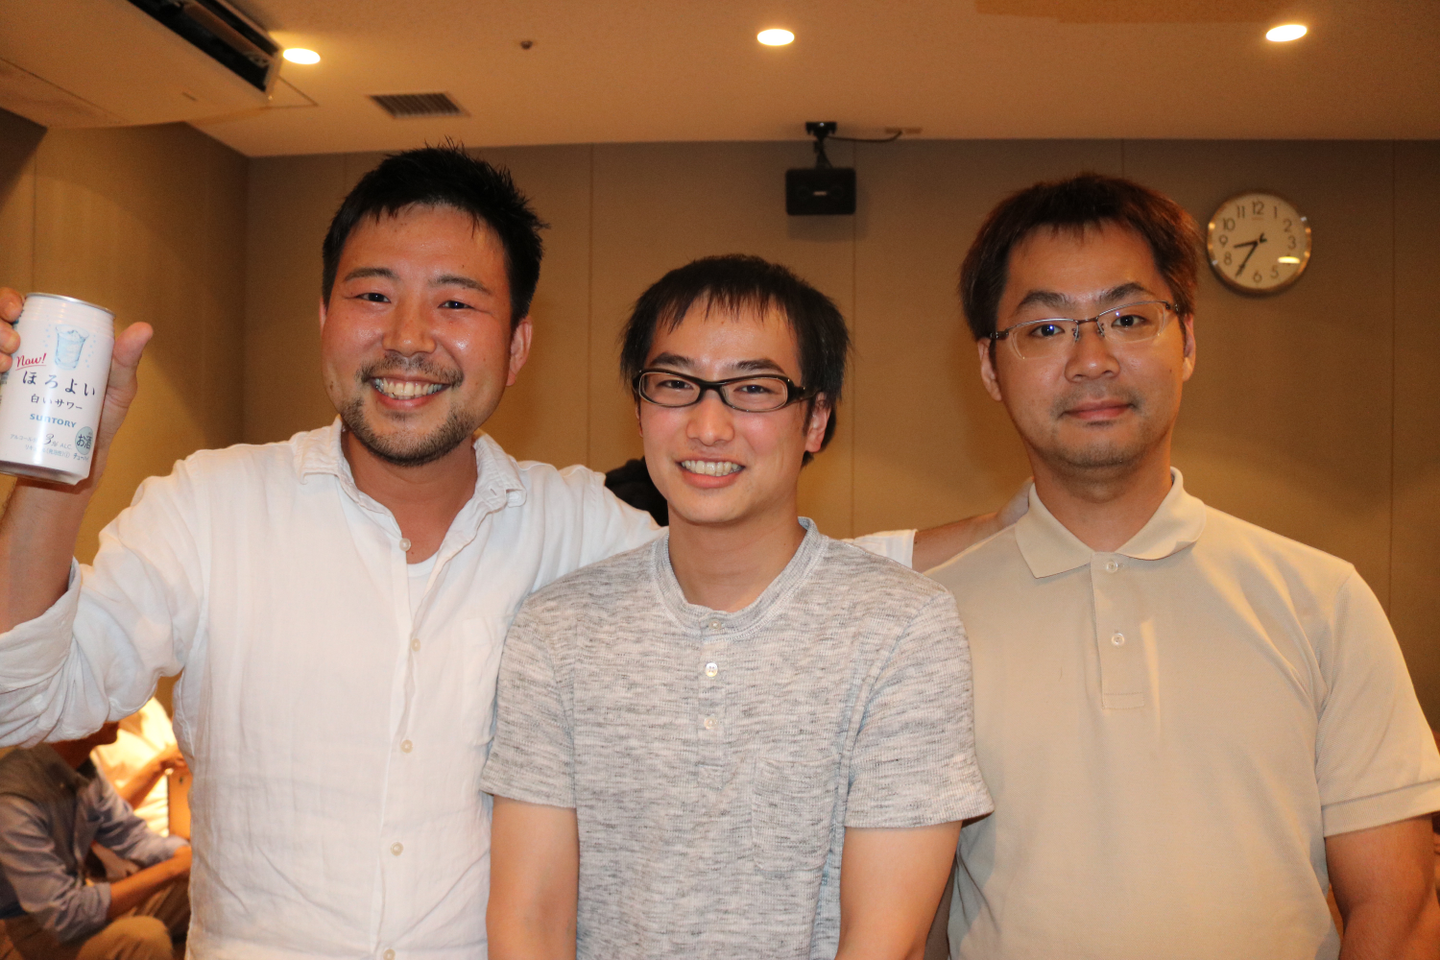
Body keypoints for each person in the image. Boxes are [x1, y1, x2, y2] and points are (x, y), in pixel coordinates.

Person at [0, 146, 993, 956]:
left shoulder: (575, 527)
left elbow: (769, 570)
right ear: (325, 320)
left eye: (456, 303)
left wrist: (1013, 527)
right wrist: (56, 471)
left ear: (517, 345)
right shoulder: (211, 506)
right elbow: (24, 702)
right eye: (374, 295)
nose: (410, 337)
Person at [927, 173, 1440, 959]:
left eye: (1129, 319)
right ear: (991, 368)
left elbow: (1397, 910)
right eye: (1046, 329)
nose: (1092, 360)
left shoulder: (1323, 600)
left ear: (1188, 342)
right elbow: (902, 923)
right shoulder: (924, 623)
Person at [482, 254, 992, 959]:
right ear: (639, 409)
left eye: (753, 388)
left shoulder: (903, 628)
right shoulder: (556, 629)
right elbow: (529, 922)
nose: (708, 426)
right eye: (675, 385)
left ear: (815, 419)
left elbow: (886, 940)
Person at [0, 724, 190, 960]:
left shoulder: (83, 770)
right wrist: (173, 869)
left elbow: (133, 836)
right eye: (106, 704)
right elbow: (63, 915)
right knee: (143, 939)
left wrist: (184, 854)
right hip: (25, 930)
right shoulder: (14, 796)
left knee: (205, 882)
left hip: (78, 901)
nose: (118, 713)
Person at [91, 699, 183, 837]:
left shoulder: (149, 704)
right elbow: (100, 823)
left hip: (186, 825)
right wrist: (160, 764)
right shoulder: (93, 732)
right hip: (147, 836)